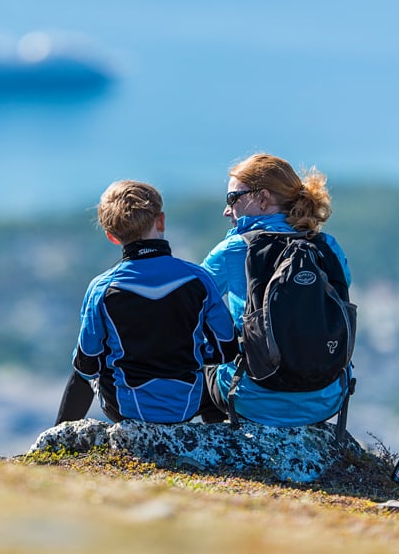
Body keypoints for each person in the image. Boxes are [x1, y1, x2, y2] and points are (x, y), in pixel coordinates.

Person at [55, 180, 238, 425]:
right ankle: (215, 447)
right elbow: (226, 349)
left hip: (125, 408)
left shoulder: (102, 288)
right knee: (208, 372)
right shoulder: (198, 279)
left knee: (84, 368)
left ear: (111, 236)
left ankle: (57, 438)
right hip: (186, 406)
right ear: (160, 220)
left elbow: (88, 366)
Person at [201, 152, 353, 426]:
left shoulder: (235, 249)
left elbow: (189, 302)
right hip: (327, 398)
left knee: (203, 360)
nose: (227, 210)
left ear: (263, 198)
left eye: (232, 198)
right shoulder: (328, 247)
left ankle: (224, 449)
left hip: (254, 399)